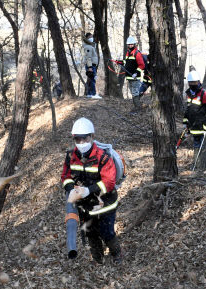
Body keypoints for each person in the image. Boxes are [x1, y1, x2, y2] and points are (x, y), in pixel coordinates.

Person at [61, 118, 122, 264]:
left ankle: (116, 254)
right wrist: (70, 189)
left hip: (105, 204)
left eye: (85, 139)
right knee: (90, 234)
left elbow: (109, 181)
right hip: (84, 206)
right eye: (78, 139)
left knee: (107, 233)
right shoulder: (71, 156)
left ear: (92, 137)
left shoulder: (103, 157)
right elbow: (66, 176)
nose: (81, 143)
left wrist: (89, 190)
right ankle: (98, 259)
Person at [182, 70, 206, 153]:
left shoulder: (205, 95)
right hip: (193, 127)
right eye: (190, 83)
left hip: (202, 128)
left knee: (203, 149)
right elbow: (188, 110)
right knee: (196, 146)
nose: (192, 84)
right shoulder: (189, 95)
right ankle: (196, 163)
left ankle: (202, 164)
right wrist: (185, 122)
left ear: (199, 82)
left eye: (194, 82)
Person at [124, 36, 147, 113]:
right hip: (129, 77)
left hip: (135, 77)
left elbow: (142, 65)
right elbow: (126, 63)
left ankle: (137, 109)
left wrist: (136, 73)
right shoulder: (128, 53)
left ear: (134, 44)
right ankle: (140, 106)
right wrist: (119, 62)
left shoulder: (137, 53)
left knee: (135, 93)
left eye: (131, 44)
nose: (130, 45)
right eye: (129, 44)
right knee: (133, 93)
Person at [82, 32, 100, 98]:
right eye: (90, 37)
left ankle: (89, 94)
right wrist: (90, 67)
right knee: (92, 79)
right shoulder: (88, 47)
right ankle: (93, 94)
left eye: (92, 37)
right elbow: (88, 57)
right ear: (87, 38)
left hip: (92, 65)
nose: (92, 38)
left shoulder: (90, 46)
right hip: (90, 65)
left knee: (91, 79)